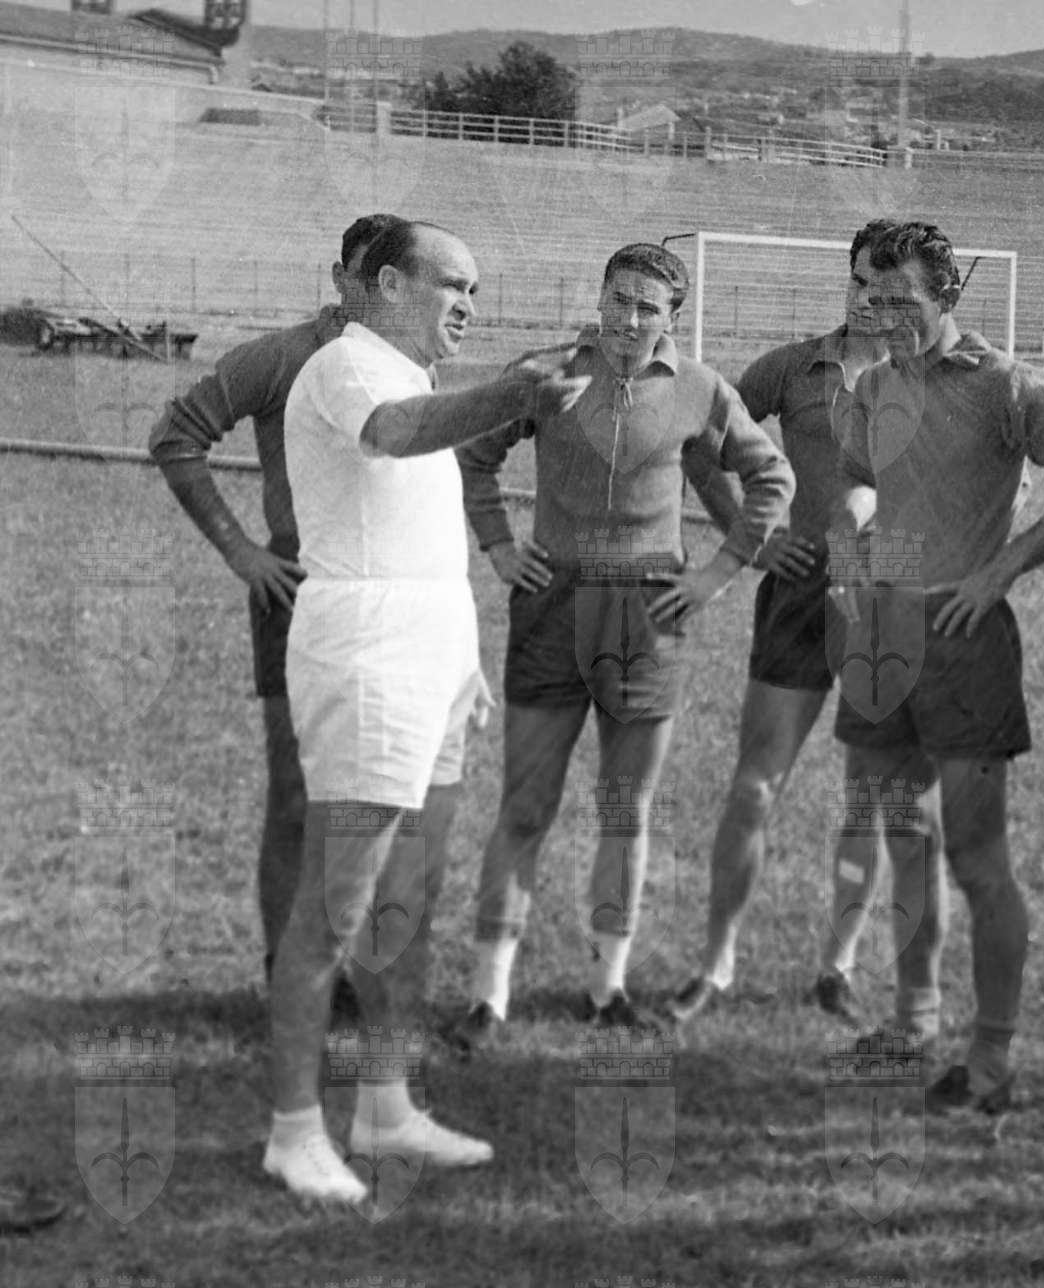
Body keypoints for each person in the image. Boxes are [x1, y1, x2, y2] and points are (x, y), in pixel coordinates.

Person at [263, 219, 591, 1204]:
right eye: (452, 284)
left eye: (475, 290)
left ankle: (385, 1105)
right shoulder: (344, 366)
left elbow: (417, 530)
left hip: (432, 663)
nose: (468, 304)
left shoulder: (410, 376)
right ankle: (292, 1131)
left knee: (406, 900)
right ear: (387, 283)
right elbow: (394, 435)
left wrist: (462, 664)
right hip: (366, 662)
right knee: (335, 906)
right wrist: (515, 394)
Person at [447, 243, 794, 1049]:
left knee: (623, 809)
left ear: (672, 319)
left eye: (648, 308)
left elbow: (771, 477)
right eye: (618, 299)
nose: (628, 320)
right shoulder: (544, 373)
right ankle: (488, 996)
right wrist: (499, 546)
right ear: (599, 297)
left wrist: (717, 574)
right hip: (552, 603)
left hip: (646, 612)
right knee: (525, 806)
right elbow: (474, 458)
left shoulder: (700, 388)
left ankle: (607, 988)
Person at [826, 220, 1044, 1114]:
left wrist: (1004, 569)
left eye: (902, 301)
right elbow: (856, 478)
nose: (883, 316)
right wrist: (846, 534)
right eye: (869, 298)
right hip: (882, 638)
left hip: (964, 639)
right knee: (900, 835)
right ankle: (913, 1021)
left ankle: (991, 1059)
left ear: (947, 295)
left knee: (976, 857)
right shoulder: (871, 386)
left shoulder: (1006, 385)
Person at [667, 220, 936, 1028]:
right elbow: (701, 445)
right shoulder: (791, 368)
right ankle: (714, 967)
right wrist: (751, 535)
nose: (868, 299)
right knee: (755, 785)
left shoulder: (935, 378)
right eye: (858, 281)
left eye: (887, 289)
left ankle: (837, 968)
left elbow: (1000, 472)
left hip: (887, 598)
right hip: (800, 589)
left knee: (868, 796)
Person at [149, 213, 398, 999]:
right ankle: (287, 974)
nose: (382, 293)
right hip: (298, 592)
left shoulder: (411, 363)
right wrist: (241, 551)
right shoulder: (285, 356)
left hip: (386, 603)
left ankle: (345, 964)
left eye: (397, 280)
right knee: (298, 794)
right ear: (341, 278)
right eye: (368, 276)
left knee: (376, 793)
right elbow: (176, 436)